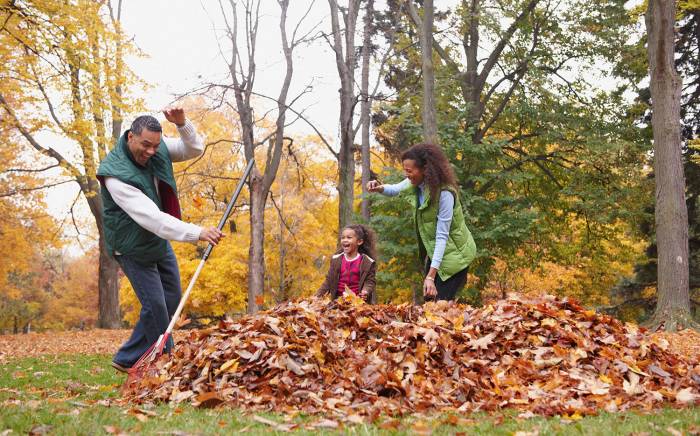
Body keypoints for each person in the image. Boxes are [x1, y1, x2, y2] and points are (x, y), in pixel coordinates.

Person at [96, 108, 224, 373]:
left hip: (156, 239)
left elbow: (193, 149)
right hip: (131, 245)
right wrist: (197, 232)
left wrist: (183, 125)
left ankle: (127, 358)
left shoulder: (157, 148)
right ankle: (164, 361)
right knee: (155, 306)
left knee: (172, 299)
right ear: (131, 137)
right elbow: (153, 218)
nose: (151, 152)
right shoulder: (114, 175)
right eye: (146, 145)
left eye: (156, 145)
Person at [367, 143, 476, 301]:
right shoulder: (417, 183)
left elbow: (442, 236)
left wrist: (431, 276)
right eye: (405, 170)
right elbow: (395, 189)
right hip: (437, 253)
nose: (407, 175)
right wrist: (378, 187)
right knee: (430, 302)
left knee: (440, 306)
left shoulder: (444, 194)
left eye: (409, 171)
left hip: (456, 256)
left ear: (425, 169)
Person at [316, 224, 377, 302]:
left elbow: (370, 281)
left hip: (358, 302)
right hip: (338, 302)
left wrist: (365, 291)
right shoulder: (336, 259)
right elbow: (328, 281)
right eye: (343, 238)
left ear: (359, 241)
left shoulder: (367, 262)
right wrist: (317, 296)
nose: (345, 240)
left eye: (349, 237)